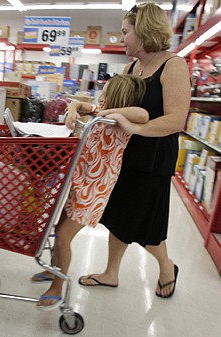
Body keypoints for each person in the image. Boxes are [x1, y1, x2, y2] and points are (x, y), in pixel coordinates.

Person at [74, 2, 191, 299]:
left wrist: (134, 127)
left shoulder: (173, 65)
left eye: (125, 32)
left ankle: (166, 266)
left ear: (144, 31)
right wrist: (86, 109)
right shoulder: (131, 68)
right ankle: (111, 272)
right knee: (118, 216)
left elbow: (175, 120)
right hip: (122, 156)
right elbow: (112, 108)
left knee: (146, 226)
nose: (121, 37)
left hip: (153, 159)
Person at [36, 74, 148, 311]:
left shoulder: (121, 121)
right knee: (58, 230)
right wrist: (74, 110)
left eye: (106, 92)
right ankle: (53, 270)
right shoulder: (101, 111)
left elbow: (143, 115)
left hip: (94, 191)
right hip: (79, 184)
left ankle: (58, 286)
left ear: (116, 97)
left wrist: (112, 113)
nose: (101, 96)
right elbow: (78, 103)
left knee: (64, 236)